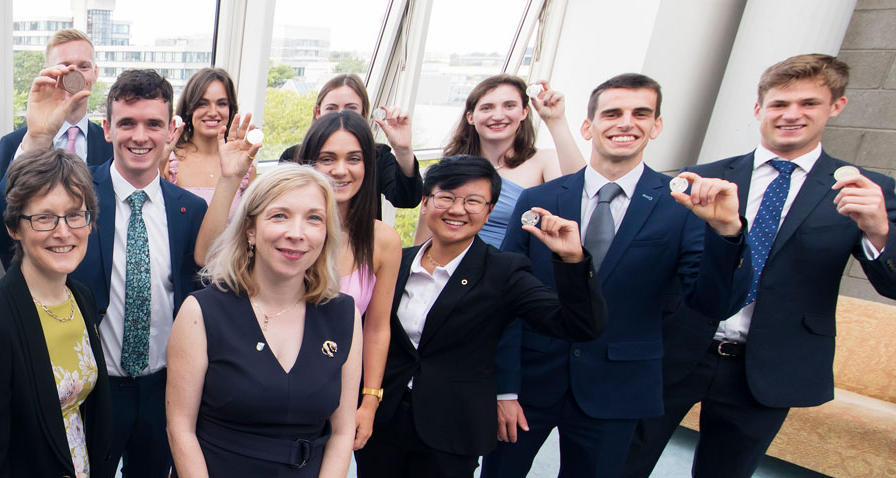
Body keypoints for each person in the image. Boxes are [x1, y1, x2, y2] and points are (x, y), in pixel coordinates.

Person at [623, 54, 896, 478]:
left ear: (836, 107)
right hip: (676, 351)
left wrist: (880, 229)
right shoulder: (703, 177)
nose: (791, 115)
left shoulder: (863, 189)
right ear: (759, 110)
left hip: (768, 367)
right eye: (779, 104)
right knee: (621, 463)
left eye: (808, 103)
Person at [482, 73, 747, 478]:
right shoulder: (540, 198)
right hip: (531, 380)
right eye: (612, 113)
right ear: (588, 126)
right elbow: (506, 298)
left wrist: (726, 233)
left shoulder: (680, 207)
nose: (626, 122)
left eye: (640, 113)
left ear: (656, 125)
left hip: (618, 384)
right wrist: (504, 387)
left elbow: (713, 304)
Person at [1, 67, 226, 478]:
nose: (140, 136)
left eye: (153, 124)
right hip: (93, 389)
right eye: (127, 123)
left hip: (164, 389)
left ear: (172, 130)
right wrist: (36, 137)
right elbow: (6, 234)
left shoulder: (190, 211)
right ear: (106, 128)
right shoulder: (76, 197)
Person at [354, 156, 607, 477]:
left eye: (473, 201)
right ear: (426, 201)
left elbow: (581, 326)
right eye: (446, 197)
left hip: (452, 431)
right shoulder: (398, 262)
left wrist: (573, 260)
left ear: (490, 210)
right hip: (384, 421)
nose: (457, 209)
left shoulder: (505, 271)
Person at [167, 165, 363, 478]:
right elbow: (181, 429)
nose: (296, 233)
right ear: (250, 229)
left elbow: (342, 433)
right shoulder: (201, 313)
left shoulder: (343, 315)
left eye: (314, 218)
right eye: (280, 215)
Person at [0, 149, 113, 478]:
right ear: (13, 227)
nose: (63, 231)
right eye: (44, 217)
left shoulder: (81, 298)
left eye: (75, 215)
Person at [277, 111, 402, 451]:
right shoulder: (285, 232)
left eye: (354, 159)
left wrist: (370, 401)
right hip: (273, 385)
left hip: (337, 393)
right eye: (327, 158)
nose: (340, 170)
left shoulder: (383, 241)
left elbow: (377, 328)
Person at [417, 75, 584, 246]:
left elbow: (582, 191)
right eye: (487, 108)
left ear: (524, 112)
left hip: (513, 268)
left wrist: (555, 120)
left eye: (509, 106)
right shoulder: (451, 167)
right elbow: (424, 238)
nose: (497, 116)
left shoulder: (544, 161)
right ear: (471, 117)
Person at [0, 28, 112, 265]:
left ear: (95, 73)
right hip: (34, 280)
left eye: (84, 66)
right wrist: (37, 139)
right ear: (49, 73)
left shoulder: (112, 145)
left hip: (96, 292)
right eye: (65, 66)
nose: (75, 74)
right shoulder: (16, 144)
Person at [277, 74, 424, 209]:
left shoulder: (377, 156)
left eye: (351, 109)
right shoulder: (293, 156)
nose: (341, 115)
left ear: (363, 113)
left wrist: (403, 150)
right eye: (331, 108)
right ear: (318, 113)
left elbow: (407, 199)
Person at [163, 67, 253, 202]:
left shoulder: (243, 165)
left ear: (231, 109)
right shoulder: (168, 162)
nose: (212, 112)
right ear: (189, 108)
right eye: (202, 104)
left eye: (221, 104)